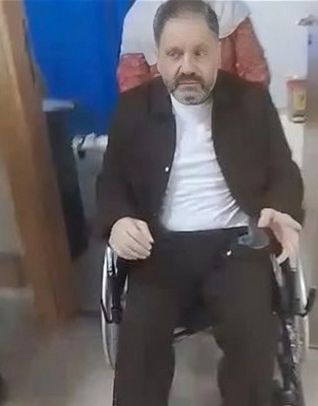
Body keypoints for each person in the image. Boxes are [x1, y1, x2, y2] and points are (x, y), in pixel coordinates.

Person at [97, 1, 303, 405]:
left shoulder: (250, 102)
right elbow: (111, 182)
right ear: (158, 57)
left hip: (235, 246)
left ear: (218, 52)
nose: (187, 67)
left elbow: (284, 171)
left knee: (254, 340)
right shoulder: (134, 109)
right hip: (159, 247)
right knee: (140, 349)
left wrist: (281, 209)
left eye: (200, 52)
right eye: (174, 54)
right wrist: (118, 221)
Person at [117, 0, 269, 92]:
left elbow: (254, 72)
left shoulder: (228, 7)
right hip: (165, 121)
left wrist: (249, 119)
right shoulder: (141, 16)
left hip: (227, 114)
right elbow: (132, 88)